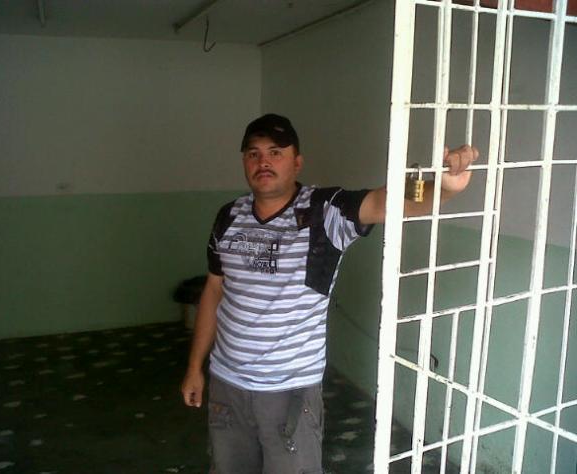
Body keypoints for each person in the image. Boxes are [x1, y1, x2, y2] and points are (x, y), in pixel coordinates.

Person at [181, 113, 478, 474]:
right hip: (227, 385)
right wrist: (195, 367)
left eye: (275, 153)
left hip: (290, 391)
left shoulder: (324, 211)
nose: (263, 162)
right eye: (253, 154)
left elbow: (384, 203)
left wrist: (445, 189)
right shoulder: (228, 217)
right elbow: (214, 289)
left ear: (297, 162)